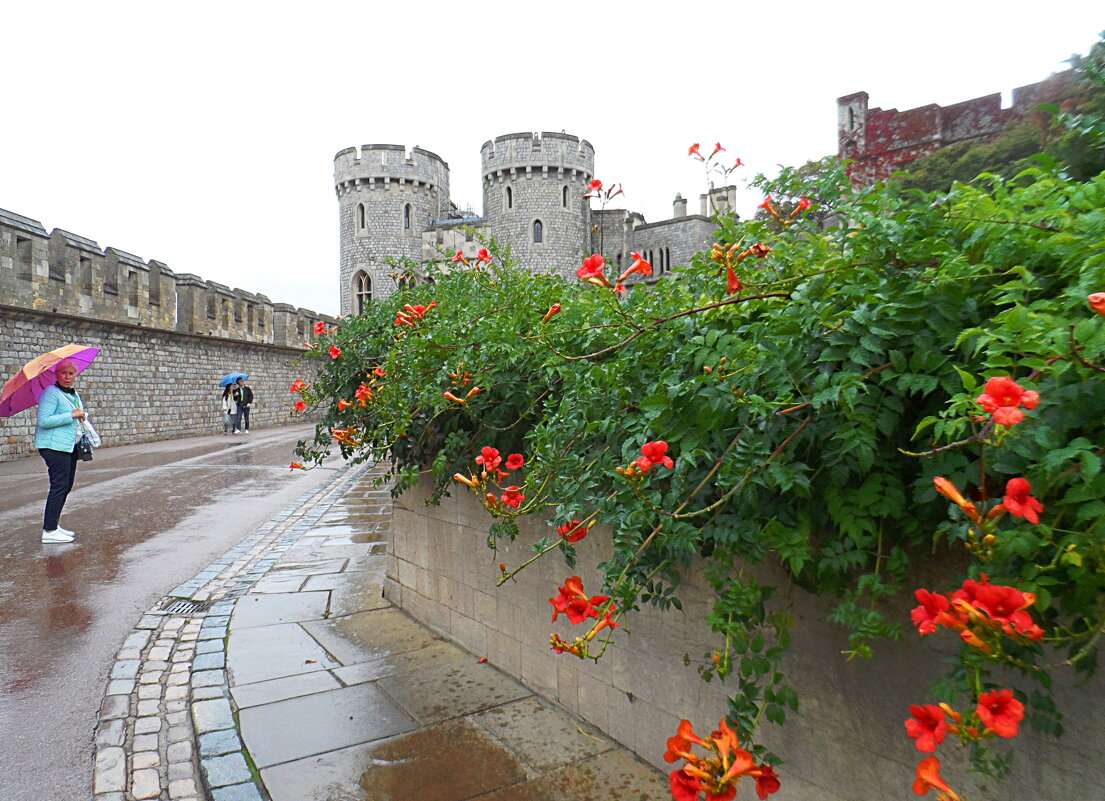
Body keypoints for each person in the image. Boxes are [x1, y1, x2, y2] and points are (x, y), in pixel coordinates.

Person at [35, 359, 88, 544]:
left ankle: (54, 526)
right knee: (58, 486)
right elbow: (44, 421)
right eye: (63, 373)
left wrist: (80, 415)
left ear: (76, 375)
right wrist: (71, 415)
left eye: (71, 373)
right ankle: (49, 531)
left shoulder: (73, 394)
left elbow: (74, 415)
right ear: (56, 375)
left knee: (66, 485)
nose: (67, 377)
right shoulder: (51, 393)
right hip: (53, 447)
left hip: (68, 446)